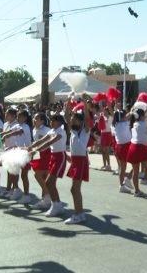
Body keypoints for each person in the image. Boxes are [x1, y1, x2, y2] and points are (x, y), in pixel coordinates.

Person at [31, 114, 67, 217]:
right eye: (51, 120)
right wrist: (29, 148)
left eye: (54, 121)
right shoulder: (51, 131)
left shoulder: (61, 131)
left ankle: (56, 205)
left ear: (60, 122)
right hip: (53, 157)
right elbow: (41, 141)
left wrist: (36, 149)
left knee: (49, 182)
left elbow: (50, 142)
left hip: (60, 157)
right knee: (50, 183)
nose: (51, 122)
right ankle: (56, 205)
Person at [64, 94, 90, 224]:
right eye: (72, 119)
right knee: (75, 189)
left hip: (80, 161)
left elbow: (86, 117)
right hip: (75, 161)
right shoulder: (73, 131)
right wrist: (69, 100)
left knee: (74, 189)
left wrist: (84, 102)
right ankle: (80, 213)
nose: (72, 121)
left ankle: (78, 214)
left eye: (75, 119)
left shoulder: (85, 131)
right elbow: (66, 115)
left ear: (81, 122)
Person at [1, 110, 33, 204]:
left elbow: (17, 132)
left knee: (24, 175)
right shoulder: (17, 125)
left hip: (25, 152)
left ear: (25, 118)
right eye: (17, 117)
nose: (18, 118)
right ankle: (16, 190)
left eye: (20, 117)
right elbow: (9, 131)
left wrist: (5, 135)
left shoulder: (25, 127)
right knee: (13, 172)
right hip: (18, 152)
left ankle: (26, 195)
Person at [29, 112, 51, 210]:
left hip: (48, 154)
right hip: (40, 154)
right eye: (34, 118)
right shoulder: (34, 130)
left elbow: (48, 143)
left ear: (42, 121)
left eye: (36, 118)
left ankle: (47, 197)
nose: (34, 119)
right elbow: (36, 143)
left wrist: (34, 150)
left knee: (38, 175)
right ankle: (45, 200)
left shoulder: (47, 130)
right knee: (43, 177)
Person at [126, 108, 147, 197]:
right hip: (139, 148)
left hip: (133, 147)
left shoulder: (135, 123)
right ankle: (144, 178)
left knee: (136, 171)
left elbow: (143, 118)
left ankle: (137, 190)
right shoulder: (145, 124)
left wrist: (146, 110)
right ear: (142, 116)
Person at [113, 109, 132, 193]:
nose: (126, 116)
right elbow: (130, 115)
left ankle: (122, 185)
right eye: (124, 116)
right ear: (122, 117)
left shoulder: (116, 124)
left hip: (119, 147)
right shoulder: (124, 124)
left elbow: (128, 116)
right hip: (125, 146)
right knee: (137, 164)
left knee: (122, 168)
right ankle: (127, 179)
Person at [100, 107, 113, 171]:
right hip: (102, 133)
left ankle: (109, 165)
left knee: (107, 150)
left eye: (106, 110)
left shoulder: (111, 117)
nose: (104, 112)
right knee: (103, 151)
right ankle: (104, 164)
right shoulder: (102, 117)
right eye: (104, 110)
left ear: (108, 111)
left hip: (108, 133)